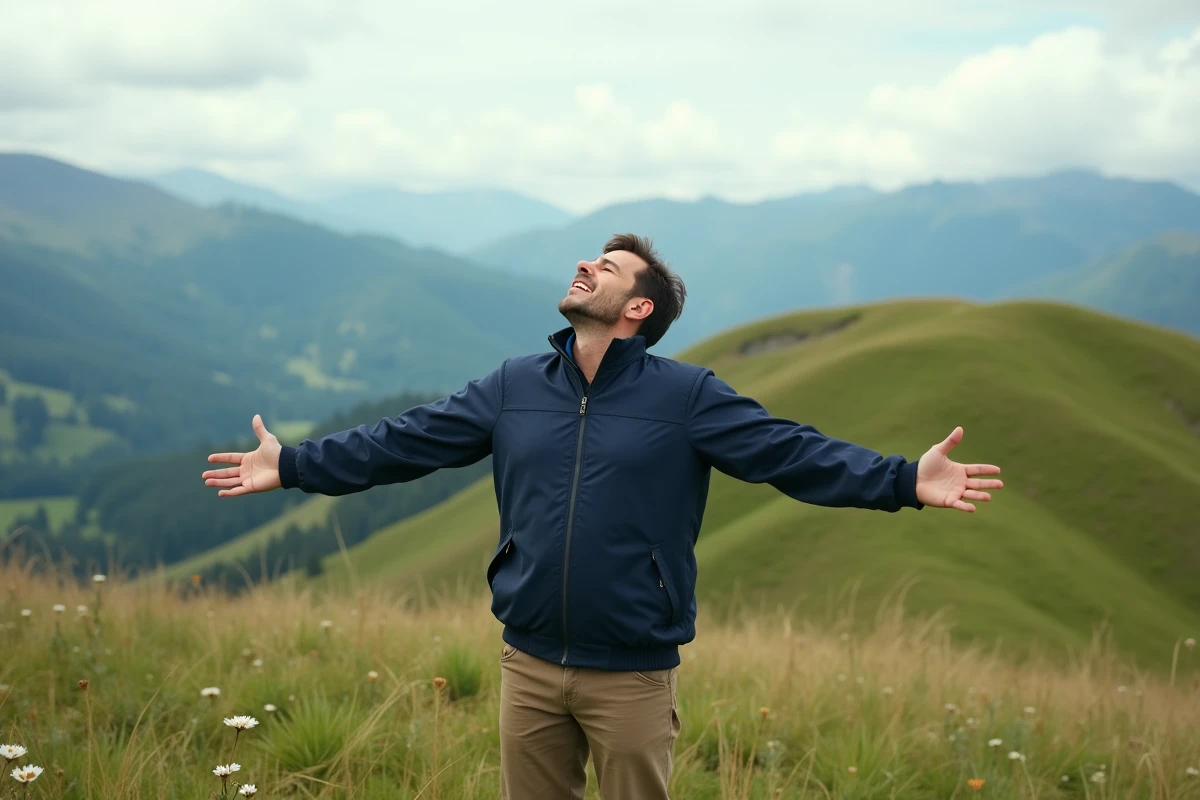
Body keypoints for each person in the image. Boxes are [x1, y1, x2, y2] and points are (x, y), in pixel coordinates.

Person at [201, 232, 1003, 799]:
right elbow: (404, 441)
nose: (586, 264)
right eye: (589, 256)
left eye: (609, 265)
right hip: (528, 664)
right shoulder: (513, 385)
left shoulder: (686, 398)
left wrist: (903, 479)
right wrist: (295, 463)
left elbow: (790, 453)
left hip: (633, 674)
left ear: (639, 308)